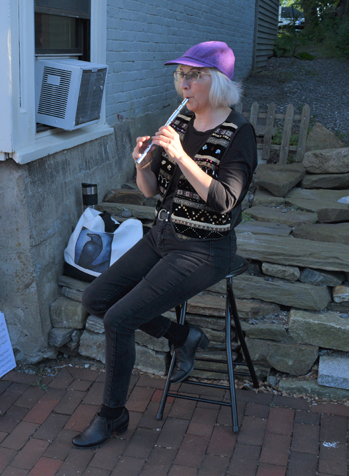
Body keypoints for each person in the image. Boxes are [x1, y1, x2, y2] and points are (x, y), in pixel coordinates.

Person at [72, 41, 257, 449]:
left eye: (195, 76)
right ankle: (181, 336)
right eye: (180, 75)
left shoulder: (238, 133)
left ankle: (112, 414)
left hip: (206, 248)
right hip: (163, 236)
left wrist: (180, 155)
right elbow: (149, 190)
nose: (184, 84)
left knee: (119, 319)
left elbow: (225, 200)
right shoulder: (179, 124)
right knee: (96, 298)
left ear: (219, 82)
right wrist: (140, 163)